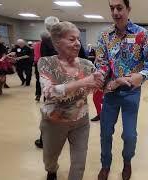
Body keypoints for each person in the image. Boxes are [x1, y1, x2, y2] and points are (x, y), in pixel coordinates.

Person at [96, 0, 148, 179]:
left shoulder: (142, 34)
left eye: (119, 8)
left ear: (128, 9)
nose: (115, 12)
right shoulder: (105, 36)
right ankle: (105, 164)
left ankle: (127, 162)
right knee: (105, 132)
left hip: (131, 92)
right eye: (112, 8)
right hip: (110, 92)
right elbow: (102, 64)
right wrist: (99, 76)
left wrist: (143, 75)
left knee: (130, 135)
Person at [38, 21, 104, 180]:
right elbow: (49, 92)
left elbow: (98, 85)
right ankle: (51, 170)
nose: (77, 44)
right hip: (54, 121)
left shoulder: (87, 64)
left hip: (80, 121)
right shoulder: (46, 63)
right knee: (50, 158)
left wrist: (107, 82)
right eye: (72, 39)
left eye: (78, 39)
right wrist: (84, 82)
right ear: (57, 42)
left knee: (79, 163)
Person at [35, 16, 88, 149]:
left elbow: (83, 59)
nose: (76, 42)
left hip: (74, 94)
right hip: (56, 87)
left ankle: (46, 139)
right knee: (52, 111)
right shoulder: (47, 44)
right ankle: (45, 139)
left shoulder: (73, 41)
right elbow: (45, 66)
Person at [33, 32, 49, 102]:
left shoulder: (36, 44)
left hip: (38, 63)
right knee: (47, 81)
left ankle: (38, 95)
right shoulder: (48, 44)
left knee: (39, 80)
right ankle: (46, 97)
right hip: (44, 64)